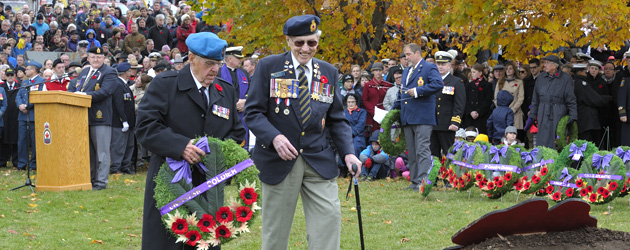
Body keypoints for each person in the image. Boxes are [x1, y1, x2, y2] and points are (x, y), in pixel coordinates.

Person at [244, 15, 361, 250]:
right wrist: (274, 137)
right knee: (276, 232)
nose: (306, 49)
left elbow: (337, 120)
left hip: (318, 158)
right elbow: (253, 112)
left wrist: (348, 152)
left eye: (311, 42)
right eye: (299, 43)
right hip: (279, 159)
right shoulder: (269, 67)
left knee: (329, 221)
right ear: (288, 41)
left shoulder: (328, 71)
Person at [136, 32, 245, 250]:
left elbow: (237, 131)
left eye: (219, 64)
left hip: (208, 185)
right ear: (192, 58)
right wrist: (180, 146)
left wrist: (219, 151)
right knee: (166, 242)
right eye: (209, 64)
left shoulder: (226, 91)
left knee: (204, 242)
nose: (215, 70)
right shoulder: (165, 85)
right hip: (169, 181)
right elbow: (146, 127)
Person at [392, 42, 443, 192]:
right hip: (408, 117)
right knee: (412, 151)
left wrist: (418, 91)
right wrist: (393, 111)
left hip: (422, 117)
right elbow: (402, 92)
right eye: (405, 55)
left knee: (422, 150)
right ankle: (414, 181)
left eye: (408, 55)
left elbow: (438, 84)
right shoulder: (407, 71)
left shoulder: (428, 67)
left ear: (417, 53)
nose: (405, 58)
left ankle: (423, 181)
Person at [67, 46, 117, 190]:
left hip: (100, 117)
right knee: (88, 152)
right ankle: (90, 180)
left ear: (104, 59)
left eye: (99, 57)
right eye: (93, 57)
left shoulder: (109, 72)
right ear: (88, 58)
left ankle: (101, 182)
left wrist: (85, 96)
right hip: (83, 118)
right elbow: (77, 89)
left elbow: (106, 91)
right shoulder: (84, 73)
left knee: (102, 153)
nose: (96, 59)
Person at [528, 55, 577, 148]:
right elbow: (535, 99)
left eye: (547, 63)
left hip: (558, 112)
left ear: (555, 65)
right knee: (542, 140)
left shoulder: (565, 79)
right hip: (543, 112)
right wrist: (533, 115)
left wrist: (573, 116)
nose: (544, 65)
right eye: (544, 63)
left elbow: (571, 100)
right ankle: (542, 161)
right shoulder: (541, 78)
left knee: (557, 139)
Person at [430, 51, 466, 157]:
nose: (440, 66)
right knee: (433, 154)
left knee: (449, 154)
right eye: (438, 64)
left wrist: (455, 122)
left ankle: (449, 174)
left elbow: (459, 104)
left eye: (443, 64)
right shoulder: (431, 81)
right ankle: (434, 173)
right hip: (432, 123)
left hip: (447, 124)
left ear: (449, 65)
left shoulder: (456, 82)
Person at [16, 60, 46, 170]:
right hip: (22, 116)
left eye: (27, 69)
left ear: (33, 70)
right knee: (22, 140)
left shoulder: (42, 81)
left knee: (34, 141)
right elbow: (18, 95)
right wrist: (20, 105)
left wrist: (27, 106)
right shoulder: (24, 82)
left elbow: (40, 96)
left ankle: (33, 164)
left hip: (34, 115)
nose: (25, 71)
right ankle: (21, 164)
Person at [218, 46, 250, 148]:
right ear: (230, 59)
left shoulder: (244, 73)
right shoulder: (219, 72)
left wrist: (244, 101)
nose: (241, 60)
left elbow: (251, 89)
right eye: (238, 58)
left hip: (242, 112)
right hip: (225, 111)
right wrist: (235, 102)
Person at [573, 63, 611, 142]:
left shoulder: (575, 82)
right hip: (586, 121)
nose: (586, 73)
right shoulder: (581, 83)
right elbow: (595, 99)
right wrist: (607, 98)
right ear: (579, 72)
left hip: (584, 120)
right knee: (586, 146)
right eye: (584, 71)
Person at [110, 62, 136, 175]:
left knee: (129, 145)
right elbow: (118, 104)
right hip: (119, 121)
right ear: (126, 72)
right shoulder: (117, 84)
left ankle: (125, 165)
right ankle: (116, 167)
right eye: (130, 70)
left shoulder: (124, 84)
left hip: (128, 121)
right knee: (119, 145)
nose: (131, 72)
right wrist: (123, 120)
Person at [462, 64, 493, 134]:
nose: (472, 74)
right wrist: (470, 111)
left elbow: (488, 101)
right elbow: (465, 100)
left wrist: (478, 112)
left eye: (474, 72)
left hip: (482, 116)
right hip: (470, 116)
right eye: (471, 72)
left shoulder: (487, 85)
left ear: (480, 73)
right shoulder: (469, 85)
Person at [362, 62, 392, 133]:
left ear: (382, 71)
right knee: (373, 134)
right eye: (376, 70)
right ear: (373, 72)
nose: (378, 72)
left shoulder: (387, 85)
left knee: (383, 132)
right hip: (372, 115)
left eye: (380, 70)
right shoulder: (367, 85)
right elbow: (365, 100)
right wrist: (374, 111)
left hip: (384, 113)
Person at [0, 68, 20, 168]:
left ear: (15, 76)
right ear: (5, 77)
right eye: (8, 75)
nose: (10, 77)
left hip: (16, 117)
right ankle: (3, 161)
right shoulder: (1, 87)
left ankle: (16, 162)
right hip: (4, 117)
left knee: (16, 139)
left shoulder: (19, 87)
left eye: (12, 74)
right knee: (3, 139)